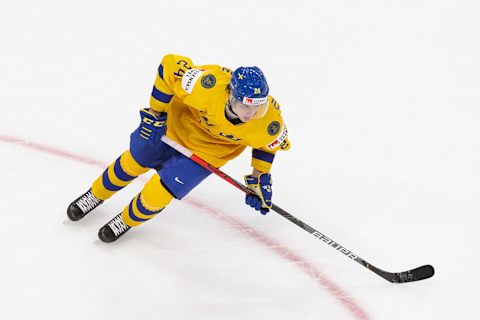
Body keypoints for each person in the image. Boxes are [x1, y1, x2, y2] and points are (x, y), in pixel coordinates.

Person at [67, 54, 291, 243]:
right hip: (173, 128)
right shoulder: (207, 85)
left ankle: (125, 221)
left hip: (208, 153)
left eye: (258, 107)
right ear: (230, 96)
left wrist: (259, 176)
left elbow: (268, 144)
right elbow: (169, 67)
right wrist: (155, 115)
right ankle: (94, 196)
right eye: (245, 106)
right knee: (133, 163)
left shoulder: (269, 122)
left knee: (159, 193)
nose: (251, 115)